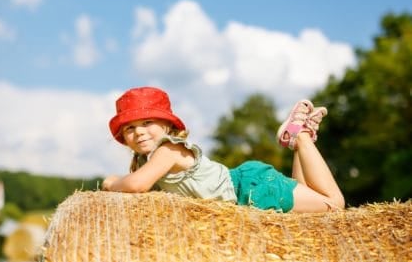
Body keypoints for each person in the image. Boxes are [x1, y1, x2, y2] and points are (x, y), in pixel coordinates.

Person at [102, 86, 345, 213]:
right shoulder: (151, 160)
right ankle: (299, 142)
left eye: (147, 123)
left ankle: (300, 136)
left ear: (166, 124)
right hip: (248, 189)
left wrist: (112, 183)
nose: (139, 132)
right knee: (313, 207)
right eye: (130, 128)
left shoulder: (168, 150)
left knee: (334, 205)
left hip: (252, 190)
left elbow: (136, 186)